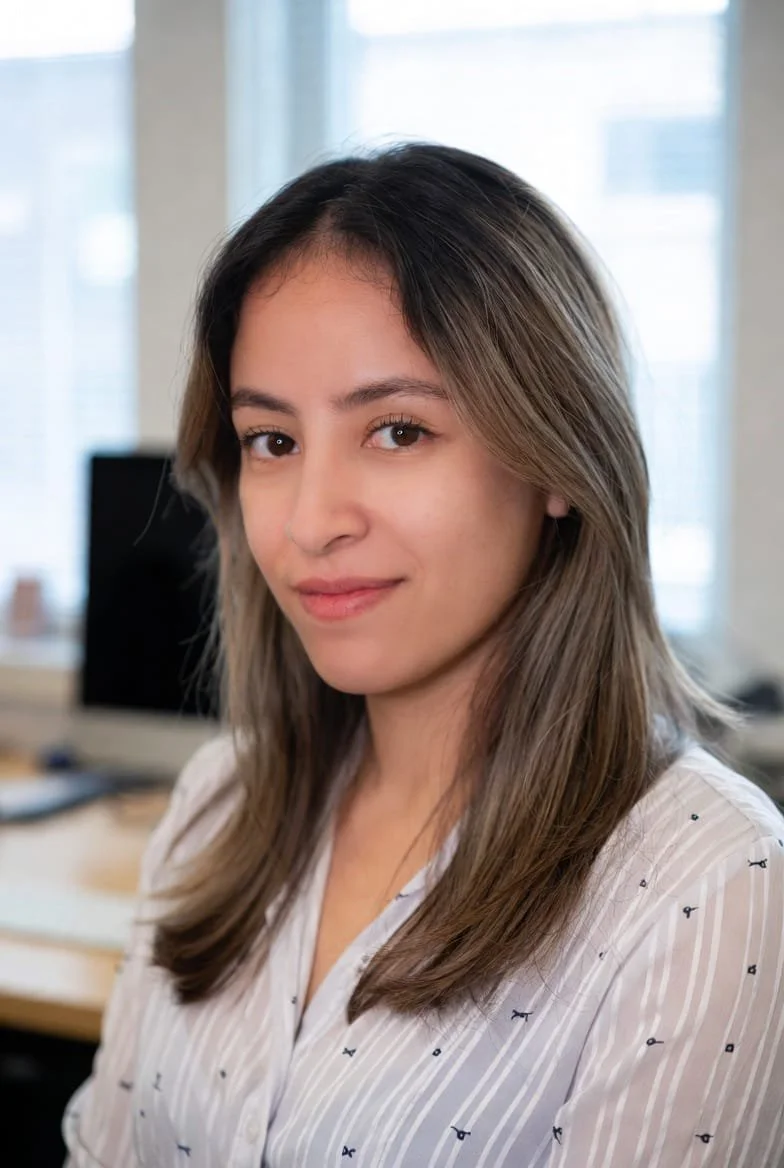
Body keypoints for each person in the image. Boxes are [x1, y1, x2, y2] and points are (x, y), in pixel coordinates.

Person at [62, 143, 784, 1167]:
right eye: (272, 440)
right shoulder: (219, 799)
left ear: (555, 459)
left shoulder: (710, 882)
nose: (310, 522)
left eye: (397, 430)